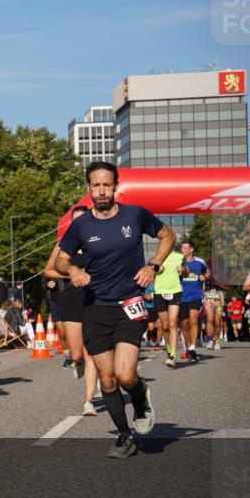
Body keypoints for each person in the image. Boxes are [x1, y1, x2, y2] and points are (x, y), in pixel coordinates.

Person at [55, 161, 174, 459]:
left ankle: (140, 396)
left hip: (129, 305)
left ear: (116, 186)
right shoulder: (81, 225)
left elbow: (167, 236)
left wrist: (153, 265)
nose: (102, 190)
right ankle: (124, 436)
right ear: (89, 189)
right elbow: (59, 260)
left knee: (124, 375)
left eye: (107, 184)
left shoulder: (135, 215)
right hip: (95, 308)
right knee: (106, 379)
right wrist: (71, 270)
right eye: (96, 185)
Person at [45, 204, 99, 416]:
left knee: (91, 351)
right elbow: (48, 270)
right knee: (77, 354)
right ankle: (78, 363)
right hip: (70, 298)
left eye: (82, 219)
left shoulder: (96, 242)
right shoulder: (63, 244)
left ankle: (88, 401)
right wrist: (71, 275)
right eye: (75, 220)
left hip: (95, 297)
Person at [152, 244, 186, 367]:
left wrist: (183, 270)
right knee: (165, 326)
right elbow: (151, 272)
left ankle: (172, 356)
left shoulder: (180, 256)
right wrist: (156, 268)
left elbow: (186, 273)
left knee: (172, 324)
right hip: (159, 292)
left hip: (175, 291)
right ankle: (168, 348)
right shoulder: (156, 257)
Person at [178, 240, 207, 362]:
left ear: (191, 249)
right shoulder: (179, 262)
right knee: (184, 324)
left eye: (185, 248)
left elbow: (208, 272)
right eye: (182, 248)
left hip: (196, 295)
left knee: (193, 320)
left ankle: (193, 348)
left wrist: (204, 277)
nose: (183, 250)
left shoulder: (200, 261)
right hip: (182, 296)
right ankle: (189, 347)